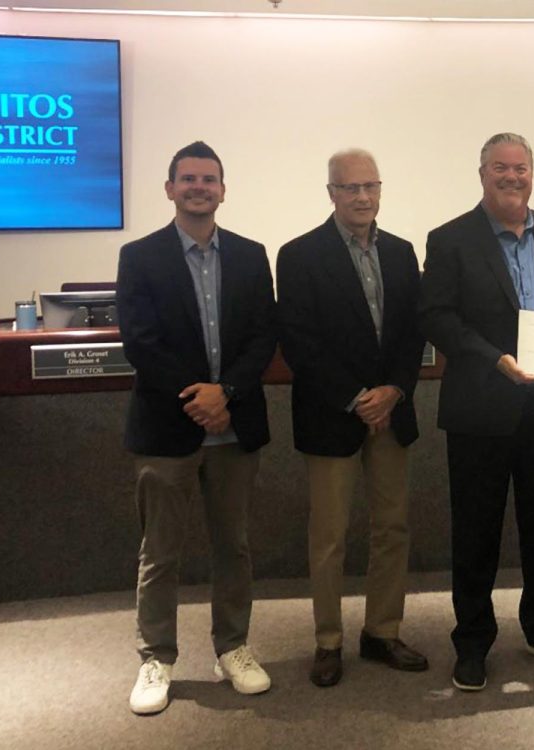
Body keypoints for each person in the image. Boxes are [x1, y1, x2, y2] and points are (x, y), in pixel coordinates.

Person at [418, 132, 534, 692]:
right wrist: (496, 361)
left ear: (532, 174)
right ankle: (472, 642)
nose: (511, 177)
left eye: (520, 168)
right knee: (475, 532)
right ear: (483, 173)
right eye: (500, 168)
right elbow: (438, 318)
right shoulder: (449, 239)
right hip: (479, 409)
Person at [116, 141, 277, 715]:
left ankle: (231, 646)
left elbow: (264, 336)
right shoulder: (140, 256)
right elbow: (141, 343)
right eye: (188, 178)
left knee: (233, 547)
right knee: (160, 551)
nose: (199, 187)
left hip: (235, 427)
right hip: (167, 428)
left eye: (209, 178)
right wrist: (198, 398)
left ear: (223, 189)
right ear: (170, 189)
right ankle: (156, 656)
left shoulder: (253, 256)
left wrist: (226, 393)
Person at [276, 148, 428, 688]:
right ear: (331, 194)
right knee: (330, 535)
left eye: (370, 186)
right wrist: (356, 397)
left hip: (391, 413)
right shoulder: (298, 255)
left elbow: (413, 333)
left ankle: (381, 631)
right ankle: (328, 640)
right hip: (331, 416)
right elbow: (299, 342)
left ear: (381, 190)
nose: (362, 197)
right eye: (350, 188)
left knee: (392, 527)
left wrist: (393, 391)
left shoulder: (404, 253)